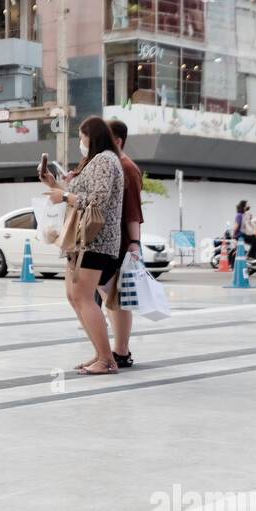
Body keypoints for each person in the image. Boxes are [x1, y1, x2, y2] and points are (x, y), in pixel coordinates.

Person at [42, 117, 124, 376]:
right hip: (84, 241)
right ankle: (101, 354)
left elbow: (98, 200)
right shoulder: (99, 161)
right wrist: (54, 185)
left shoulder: (105, 161)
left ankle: (107, 359)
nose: (81, 142)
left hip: (95, 240)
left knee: (82, 297)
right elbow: (83, 193)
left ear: (93, 136)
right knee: (74, 296)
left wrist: (64, 195)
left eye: (83, 136)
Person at [106, 119, 144, 368]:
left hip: (120, 242)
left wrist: (134, 244)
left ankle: (121, 351)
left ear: (117, 141)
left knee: (116, 298)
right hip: (112, 241)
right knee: (110, 297)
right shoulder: (113, 164)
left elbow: (133, 211)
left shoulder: (126, 167)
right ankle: (119, 349)